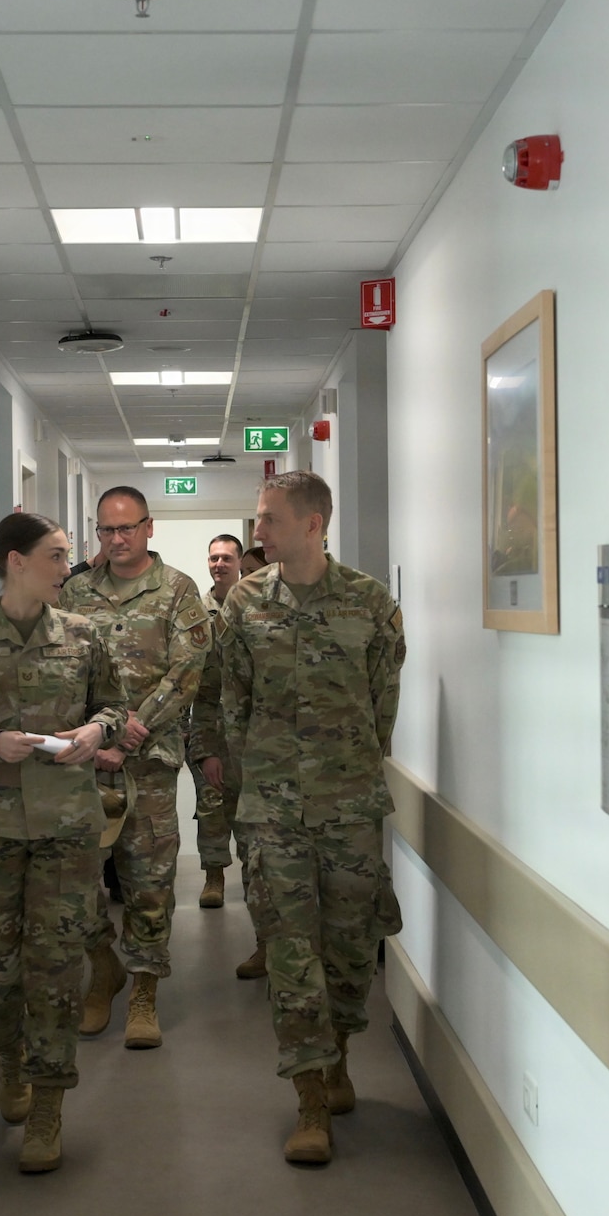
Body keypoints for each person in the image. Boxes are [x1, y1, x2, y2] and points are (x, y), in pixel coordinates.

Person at [0, 511, 128, 1173]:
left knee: (58, 963)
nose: (68, 565)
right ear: (16, 561)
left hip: (66, 824)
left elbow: (114, 707)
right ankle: (9, 1053)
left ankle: (48, 1103)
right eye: (56, 554)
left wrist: (97, 733)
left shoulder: (85, 636)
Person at [221, 472, 405, 1166]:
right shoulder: (243, 603)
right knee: (292, 953)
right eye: (257, 518)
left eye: (268, 519)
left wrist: (349, 764)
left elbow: (382, 703)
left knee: (351, 948)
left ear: (313, 524)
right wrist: (250, 780)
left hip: (350, 805)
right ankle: (309, 1098)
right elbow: (231, 699)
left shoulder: (370, 605)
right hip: (271, 808)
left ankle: (339, 1055)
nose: (257, 531)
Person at [59, 486, 211, 1049]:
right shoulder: (75, 590)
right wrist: (87, 736)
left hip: (147, 761)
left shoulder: (178, 592)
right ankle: (104, 966)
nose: (117, 539)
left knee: (149, 878)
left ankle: (144, 987)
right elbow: (62, 665)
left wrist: (124, 733)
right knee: (78, 877)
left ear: (150, 528)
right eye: (107, 530)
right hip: (82, 762)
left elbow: (187, 671)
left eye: (127, 528)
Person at [190, 535, 245, 913]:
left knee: (251, 811)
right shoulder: (196, 612)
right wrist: (206, 749)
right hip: (211, 726)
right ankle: (214, 874)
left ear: (239, 561)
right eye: (213, 558)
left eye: (226, 557)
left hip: (252, 735)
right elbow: (200, 691)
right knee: (211, 805)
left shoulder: (258, 606)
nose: (219, 564)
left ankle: (257, 879)